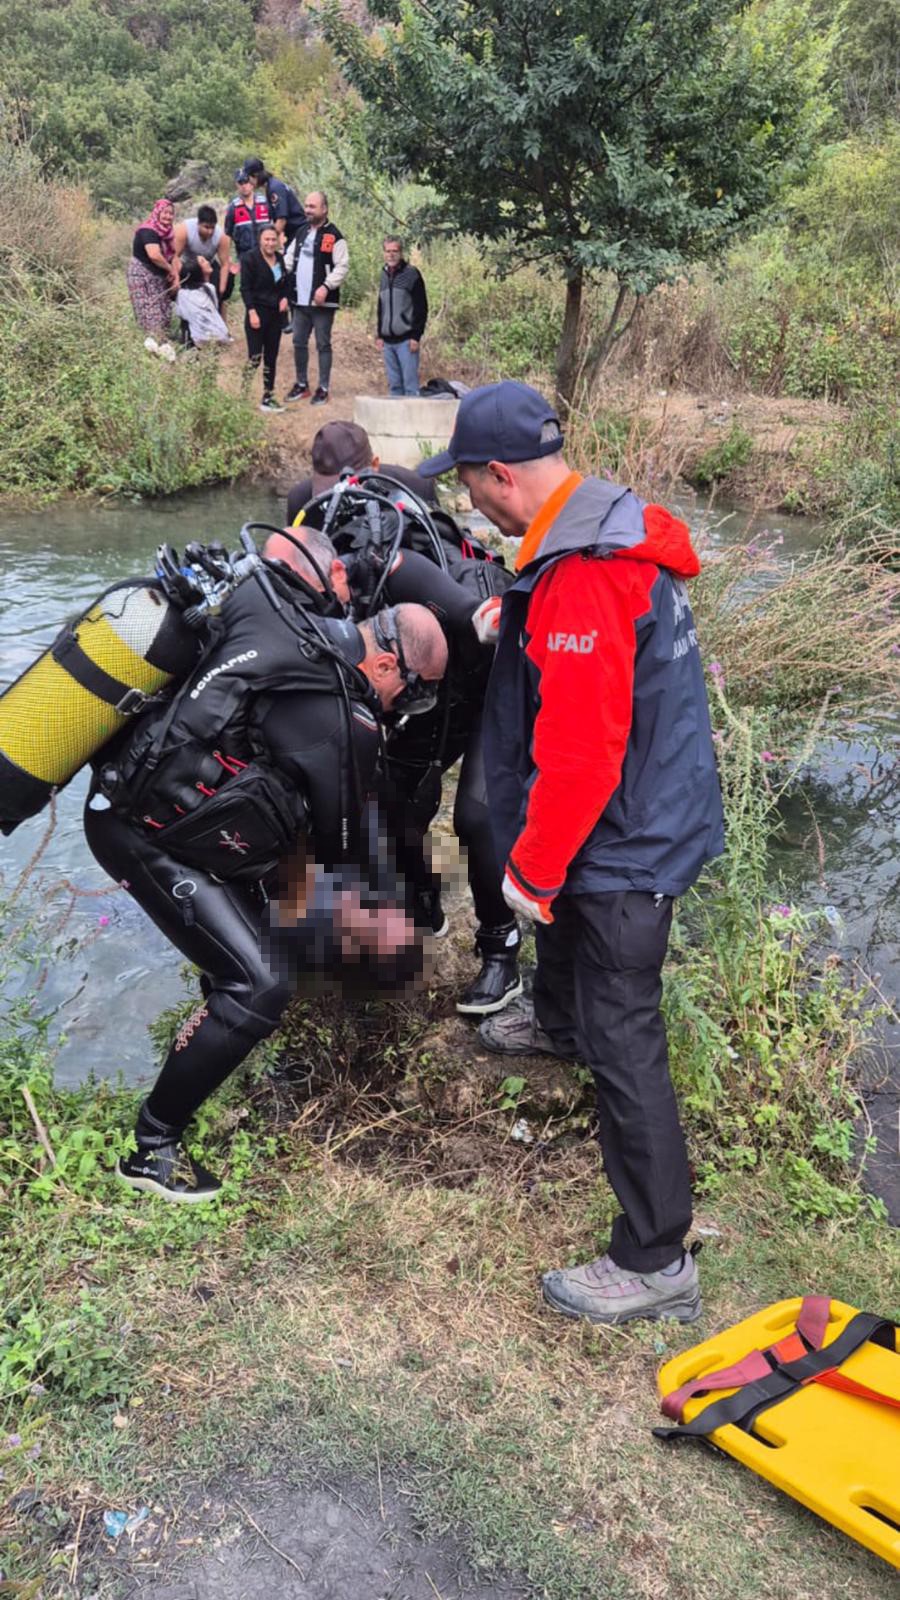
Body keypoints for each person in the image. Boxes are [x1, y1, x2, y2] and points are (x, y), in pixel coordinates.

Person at [418, 380, 726, 1325]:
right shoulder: (597, 529)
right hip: (636, 815)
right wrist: (524, 622)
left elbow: (585, 753)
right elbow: (592, 654)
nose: (466, 500)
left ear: (500, 475)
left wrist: (532, 868)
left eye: (467, 484)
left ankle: (654, 1256)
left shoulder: (587, 571)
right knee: (566, 947)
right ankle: (553, 1025)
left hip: (625, 842)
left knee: (626, 1032)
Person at [86, 581, 448, 1203]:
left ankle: (225, 1038)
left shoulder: (298, 632)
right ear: (385, 664)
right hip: (140, 832)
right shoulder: (345, 718)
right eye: (408, 695)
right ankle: (150, 1147)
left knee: (278, 932)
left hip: (171, 814)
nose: (401, 708)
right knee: (260, 982)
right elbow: (338, 845)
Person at [288, 505, 522, 1015]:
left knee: (476, 817)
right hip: (419, 678)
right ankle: (423, 906)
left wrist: (480, 621)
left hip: (491, 669)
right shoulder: (307, 608)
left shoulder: (381, 567)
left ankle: (501, 949)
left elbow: (469, 615)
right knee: (394, 804)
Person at [286, 421, 437, 523]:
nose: (337, 497)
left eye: (347, 485)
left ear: (375, 465)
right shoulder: (301, 501)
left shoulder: (415, 488)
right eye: (327, 490)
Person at [283, 191, 349, 407]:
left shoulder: (334, 236)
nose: (308, 210)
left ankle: (323, 388)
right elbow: (288, 261)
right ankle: (302, 384)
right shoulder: (301, 232)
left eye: (312, 206)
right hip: (300, 302)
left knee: (323, 344)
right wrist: (272, 274)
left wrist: (326, 286)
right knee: (298, 342)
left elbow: (342, 266)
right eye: (306, 206)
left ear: (324, 209)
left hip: (322, 302)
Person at [240, 225, 290, 412]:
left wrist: (284, 298)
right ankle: (243, 395)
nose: (270, 243)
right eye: (266, 239)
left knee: (271, 357)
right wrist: (251, 312)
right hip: (257, 313)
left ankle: (268, 397)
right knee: (254, 357)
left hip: (275, 315)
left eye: (273, 239)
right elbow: (245, 288)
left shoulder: (279, 259)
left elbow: (285, 283)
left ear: (277, 241)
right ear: (260, 240)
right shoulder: (250, 259)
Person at [376, 236, 428, 397]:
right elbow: (381, 306)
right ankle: (395, 422)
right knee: (394, 387)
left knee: (411, 387)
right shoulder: (384, 274)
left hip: (406, 341)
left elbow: (421, 307)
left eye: (395, 251)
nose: (391, 255)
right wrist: (379, 334)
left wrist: (416, 336)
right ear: (384, 253)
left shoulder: (412, 274)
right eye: (388, 251)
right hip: (388, 343)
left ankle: (414, 422)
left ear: (401, 252)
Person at [127, 198, 179, 337]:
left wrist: (175, 278)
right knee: (149, 311)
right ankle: (153, 347)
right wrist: (170, 269)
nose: (168, 216)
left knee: (164, 311)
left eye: (171, 213)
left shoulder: (169, 233)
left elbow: (174, 255)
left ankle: (163, 342)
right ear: (157, 212)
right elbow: (154, 255)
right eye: (165, 213)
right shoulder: (147, 231)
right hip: (142, 276)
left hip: (159, 277)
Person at [173, 205, 234, 306]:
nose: (210, 232)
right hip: (188, 264)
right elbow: (174, 256)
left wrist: (221, 291)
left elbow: (225, 264)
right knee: (189, 295)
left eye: (212, 228)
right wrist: (176, 278)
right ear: (198, 224)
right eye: (206, 227)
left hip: (209, 263)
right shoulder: (184, 229)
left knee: (216, 293)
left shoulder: (221, 236)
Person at [240, 157, 305, 244]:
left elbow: (281, 220)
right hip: (293, 234)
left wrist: (269, 241)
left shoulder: (275, 188)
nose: (249, 182)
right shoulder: (270, 187)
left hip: (298, 233)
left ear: (255, 175)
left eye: (248, 178)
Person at [224, 170, 274, 266]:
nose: (244, 186)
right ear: (236, 185)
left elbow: (277, 225)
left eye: (246, 182)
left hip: (267, 255)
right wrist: (227, 257)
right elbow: (227, 234)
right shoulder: (233, 207)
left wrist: (280, 248)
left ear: (251, 183)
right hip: (245, 257)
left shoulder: (265, 203)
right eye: (240, 183)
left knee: (272, 279)